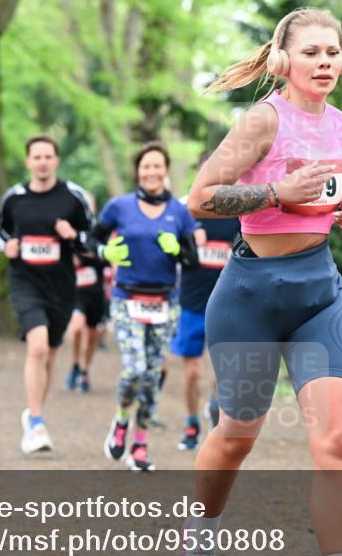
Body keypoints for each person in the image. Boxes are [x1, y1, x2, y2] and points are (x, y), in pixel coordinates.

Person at [177, 8, 342, 556]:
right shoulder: (262, 120)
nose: (324, 61)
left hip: (319, 294)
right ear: (284, 61)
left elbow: (324, 199)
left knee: (336, 442)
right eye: (312, 51)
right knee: (237, 438)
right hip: (249, 298)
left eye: (334, 51)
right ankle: (199, 537)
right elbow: (200, 198)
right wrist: (275, 196)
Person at [82, 142, 199, 472]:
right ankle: (121, 420)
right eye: (145, 166)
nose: (151, 172)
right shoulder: (119, 207)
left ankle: (141, 444)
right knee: (134, 369)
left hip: (164, 301)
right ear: (138, 171)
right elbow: (90, 241)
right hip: (127, 298)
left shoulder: (179, 211)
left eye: (157, 166)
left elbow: (192, 261)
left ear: (165, 170)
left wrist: (177, 249)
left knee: (150, 375)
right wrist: (107, 254)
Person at [0, 134, 94, 455]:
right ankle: (36, 421)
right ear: (28, 162)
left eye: (48, 156)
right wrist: (6, 246)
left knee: (48, 354)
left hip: (61, 286)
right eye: (37, 157)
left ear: (56, 160)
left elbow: (92, 238)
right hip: (25, 282)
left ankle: (34, 413)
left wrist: (72, 236)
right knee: (36, 348)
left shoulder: (73, 197)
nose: (43, 162)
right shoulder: (14, 198)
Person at [171, 193, 240, 450]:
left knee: (224, 369)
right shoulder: (187, 212)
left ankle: (214, 407)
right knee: (192, 372)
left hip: (227, 303)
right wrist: (187, 240)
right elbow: (166, 246)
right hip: (192, 303)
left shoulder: (239, 212)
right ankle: (191, 424)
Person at [65, 188, 105, 393]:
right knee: (76, 328)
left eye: (90, 204)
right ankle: (73, 363)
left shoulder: (99, 230)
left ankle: (84, 369)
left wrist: (89, 257)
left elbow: (106, 257)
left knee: (92, 335)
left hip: (95, 292)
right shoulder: (69, 230)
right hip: (75, 291)